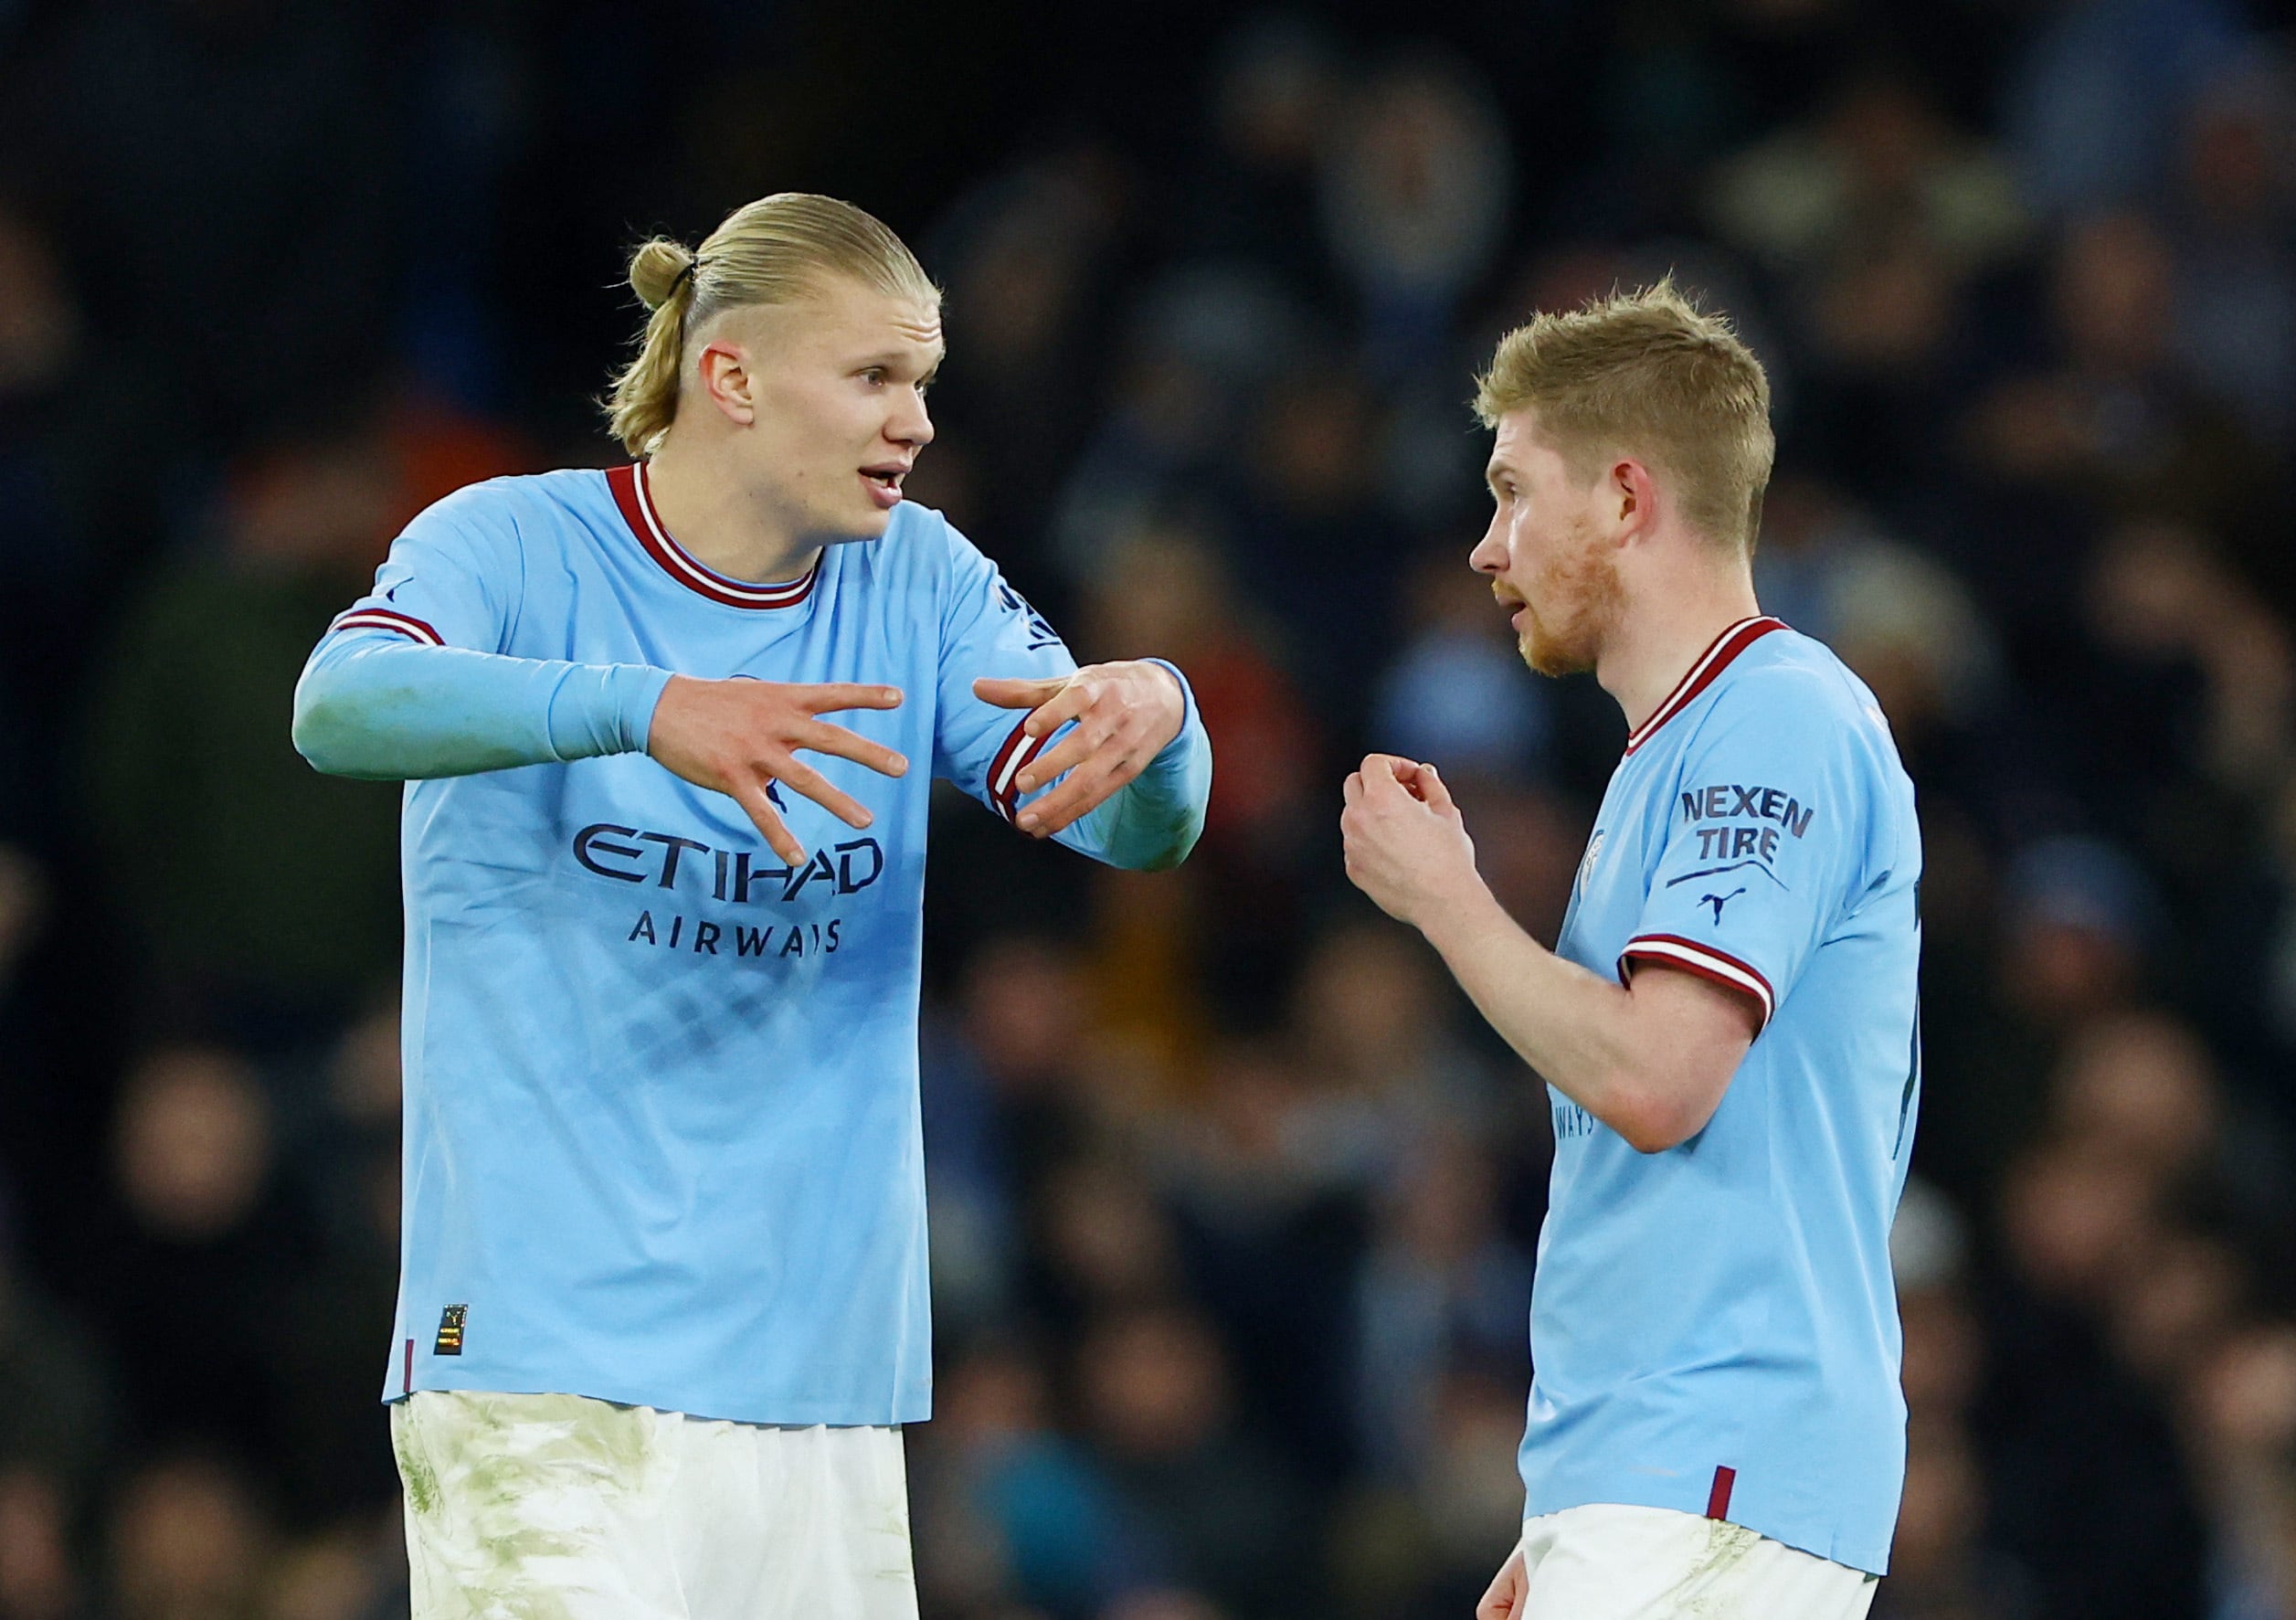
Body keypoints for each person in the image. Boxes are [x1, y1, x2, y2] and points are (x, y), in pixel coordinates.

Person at [291, 193, 1211, 1617]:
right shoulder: (510, 545)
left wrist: (1162, 712)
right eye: (872, 377)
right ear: (728, 376)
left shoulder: (915, 578)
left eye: (922, 382)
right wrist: (646, 709)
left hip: (818, 1380)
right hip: (539, 1362)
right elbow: (337, 706)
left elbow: (1124, 824)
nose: (911, 420)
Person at [1339, 281, 1919, 1619]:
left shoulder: (1776, 718)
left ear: (1622, 497)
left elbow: (1659, 1081)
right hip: (1663, 1474)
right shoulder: (1679, 750)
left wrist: (1446, 899)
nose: (1487, 548)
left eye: (1509, 492)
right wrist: (1577, 1500)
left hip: (1716, 1461)